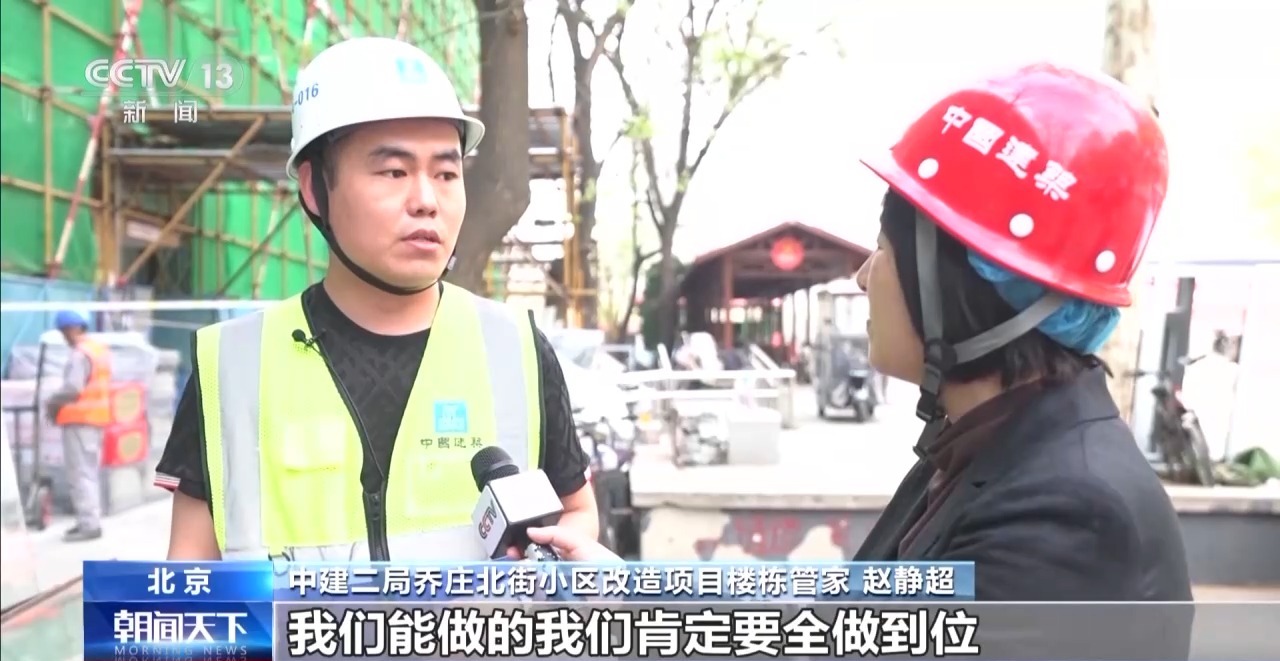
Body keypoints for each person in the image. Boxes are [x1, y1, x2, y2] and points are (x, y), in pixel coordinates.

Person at [531, 63, 1194, 602]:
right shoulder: (984, 447)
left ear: (958, 283)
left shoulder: (1068, 521)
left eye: (883, 249)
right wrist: (627, 590)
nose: (862, 276)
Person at [155, 37, 597, 562]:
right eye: (394, 172)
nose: (426, 201)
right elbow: (188, 574)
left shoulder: (515, 348)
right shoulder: (231, 367)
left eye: (446, 173)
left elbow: (577, 509)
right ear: (315, 188)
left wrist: (561, 553)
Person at [46, 310, 112, 542]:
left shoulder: (80, 354)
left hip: (80, 421)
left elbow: (73, 388)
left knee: (80, 473)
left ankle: (89, 524)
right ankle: (89, 519)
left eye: (64, 331)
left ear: (74, 328)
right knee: (89, 472)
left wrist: (52, 402)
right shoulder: (98, 350)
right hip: (94, 420)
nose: (63, 336)